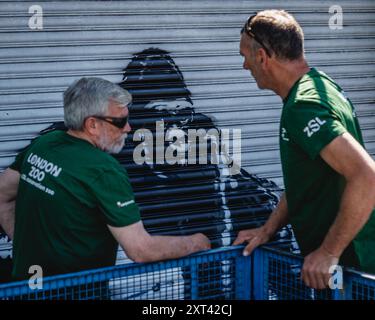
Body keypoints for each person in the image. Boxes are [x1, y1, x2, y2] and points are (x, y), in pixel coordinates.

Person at [0, 77, 210, 281]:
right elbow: (141, 249)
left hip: (26, 285)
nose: (128, 128)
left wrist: (23, 246)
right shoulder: (104, 171)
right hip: (76, 293)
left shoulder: (44, 144)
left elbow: (2, 195)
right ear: (92, 124)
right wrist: (196, 242)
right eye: (120, 121)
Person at [233, 10, 375, 290]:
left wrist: (329, 251)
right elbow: (304, 183)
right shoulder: (321, 85)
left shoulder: (303, 105)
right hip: (341, 270)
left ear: (262, 57)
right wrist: (268, 229)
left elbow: (366, 176)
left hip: (349, 272)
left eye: (244, 56)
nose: (244, 66)